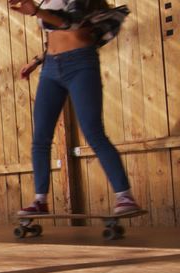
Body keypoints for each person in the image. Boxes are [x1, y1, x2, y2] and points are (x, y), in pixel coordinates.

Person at [9, 0, 140, 215]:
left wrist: (36, 12)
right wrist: (37, 61)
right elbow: (55, 33)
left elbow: (73, 22)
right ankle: (40, 200)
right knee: (41, 137)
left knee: (93, 131)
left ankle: (124, 196)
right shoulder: (46, 0)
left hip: (80, 63)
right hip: (51, 67)